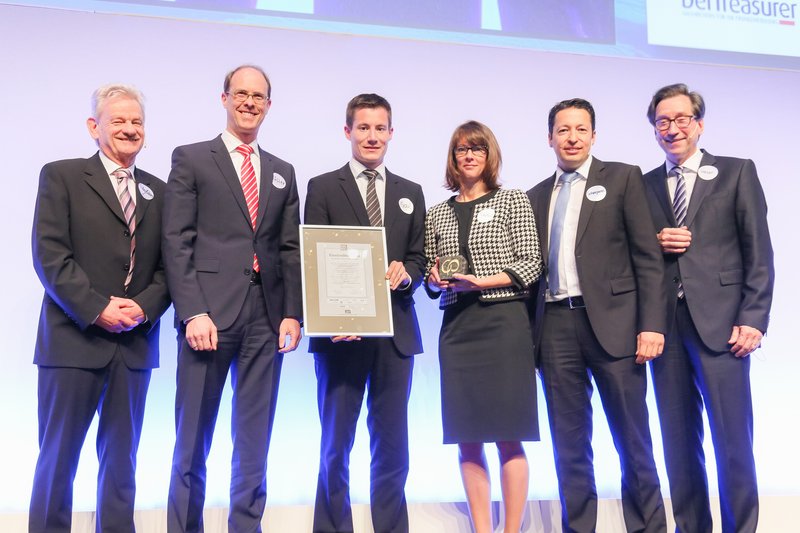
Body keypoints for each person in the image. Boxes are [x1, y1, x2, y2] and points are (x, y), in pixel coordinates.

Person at [162, 65, 302, 533]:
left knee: (254, 441)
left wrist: (292, 313)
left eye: (258, 96)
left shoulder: (282, 171)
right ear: (224, 98)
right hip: (208, 317)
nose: (249, 102)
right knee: (192, 440)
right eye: (240, 93)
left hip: (266, 319)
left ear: (268, 105)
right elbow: (176, 241)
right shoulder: (192, 158)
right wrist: (192, 311)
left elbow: (288, 248)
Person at [29, 84, 170, 533]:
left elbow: (170, 268)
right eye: (118, 120)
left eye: (137, 122)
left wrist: (142, 308)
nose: (130, 129)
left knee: (122, 463)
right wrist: (96, 308)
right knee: (58, 460)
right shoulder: (62, 176)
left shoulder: (160, 191)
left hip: (134, 346)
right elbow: (50, 256)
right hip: (73, 343)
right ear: (94, 126)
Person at [526, 98, 668, 533]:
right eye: (563, 130)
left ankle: (648, 527)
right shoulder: (534, 195)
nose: (572, 138)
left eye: (580, 129)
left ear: (593, 135)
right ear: (549, 137)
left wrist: (651, 325)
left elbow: (648, 258)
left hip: (615, 325)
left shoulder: (623, 178)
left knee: (633, 440)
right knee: (569, 446)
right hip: (555, 326)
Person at [642, 83, 774, 533]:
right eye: (663, 121)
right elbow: (635, 254)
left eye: (681, 119)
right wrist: (656, 241)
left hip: (723, 328)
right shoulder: (644, 185)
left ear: (699, 124)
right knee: (679, 447)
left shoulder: (736, 172)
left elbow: (759, 251)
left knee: (733, 443)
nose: (672, 129)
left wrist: (753, 318)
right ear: (654, 129)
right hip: (666, 329)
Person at [304, 93, 426, 533]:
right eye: (363, 127)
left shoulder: (411, 192)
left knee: (393, 448)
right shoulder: (322, 186)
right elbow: (312, 258)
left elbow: (418, 258)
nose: (371, 136)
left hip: (395, 336)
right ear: (348, 131)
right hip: (341, 337)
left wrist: (406, 274)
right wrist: (328, 320)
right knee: (336, 446)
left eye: (379, 128)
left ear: (391, 133)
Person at [424, 120, 542, 533]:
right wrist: (433, 279)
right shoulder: (436, 212)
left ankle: (511, 529)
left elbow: (531, 263)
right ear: (453, 158)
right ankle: (482, 529)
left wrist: (482, 281)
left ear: (490, 155)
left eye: (477, 148)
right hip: (458, 328)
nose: (469, 155)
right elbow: (429, 274)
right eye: (462, 149)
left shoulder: (513, 200)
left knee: (510, 434)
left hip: (504, 324)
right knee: (467, 436)